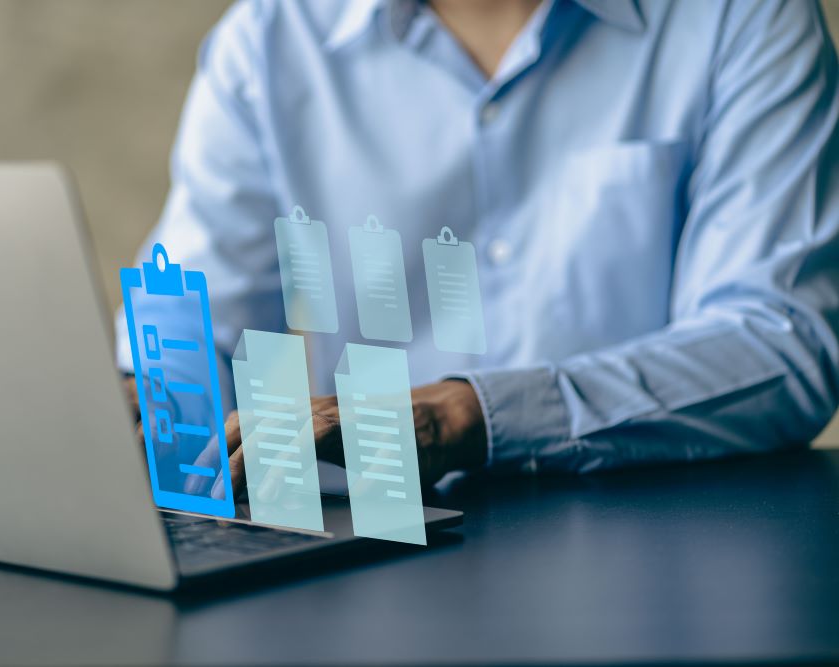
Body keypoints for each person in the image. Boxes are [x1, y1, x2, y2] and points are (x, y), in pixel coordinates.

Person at [117, 0, 839, 497]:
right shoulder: (272, 37)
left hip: (669, 548)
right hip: (373, 559)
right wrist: (143, 397)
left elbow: (780, 344)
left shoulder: (740, 18)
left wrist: (465, 415)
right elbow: (194, 325)